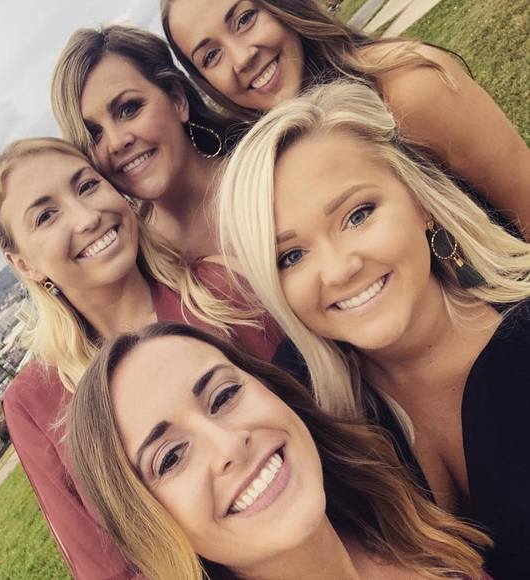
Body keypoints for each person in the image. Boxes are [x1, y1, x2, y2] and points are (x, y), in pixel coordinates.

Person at [217, 81, 530, 579]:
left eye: (358, 215)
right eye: (291, 256)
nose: (339, 269)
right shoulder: (303, 415)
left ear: (419, 200)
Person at [0, 137, 282, 579]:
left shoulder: (221, 290)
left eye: (87, 186)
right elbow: (102, 566)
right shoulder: (36, 403)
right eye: (46, 216)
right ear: (24, 264)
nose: (87, 217)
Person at [67, 321, 491, 580]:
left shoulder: (396, 512)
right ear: (145, 523)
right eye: (171, 458)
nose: (229, 444)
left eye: (224, 395)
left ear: (272, 390)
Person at [161, 0, 530, 238]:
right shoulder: (273, 174)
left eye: (245, 19)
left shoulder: (406, 86)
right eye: (211, 56)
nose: (241, 58)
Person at [51, 25, 233, 260]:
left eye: (128, 109)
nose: (116, 142)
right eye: (93, 134)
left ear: (177, 99)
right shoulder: (134, 259)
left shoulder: (269, 170)